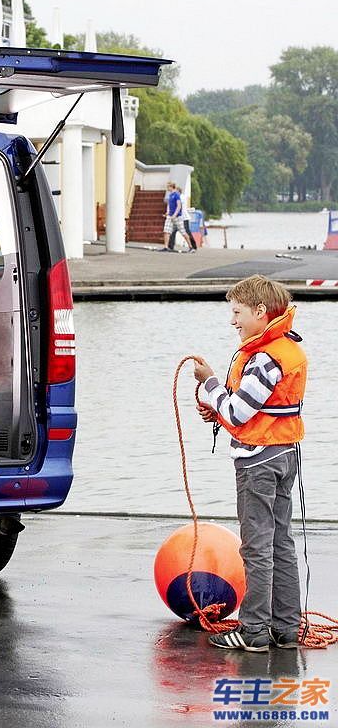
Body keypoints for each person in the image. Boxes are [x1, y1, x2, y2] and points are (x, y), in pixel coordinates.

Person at [191, 275, 307, 652]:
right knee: (280, 541)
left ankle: (255, 630)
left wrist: (210, 385)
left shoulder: (264, 359)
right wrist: (221, 409)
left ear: (260, 311)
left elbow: (239, 414)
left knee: (257, 546)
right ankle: (286, 629)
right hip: (285, 454)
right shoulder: (288, 349)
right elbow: (257, 409)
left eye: (237, 312)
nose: (233, 321)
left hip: (259, 461)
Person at [162, 182, 196, 252]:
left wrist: (175, 214)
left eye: (168, 187)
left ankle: (191, 247)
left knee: (183, 232)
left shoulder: (177, 195)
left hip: (177, 217)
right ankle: (166, 247)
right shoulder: (171, 195)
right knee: (166, 231)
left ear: (172, 187)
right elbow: (171, 206)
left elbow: (179, 206)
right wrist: (167, 213)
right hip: (170, 216)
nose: (167, 188)